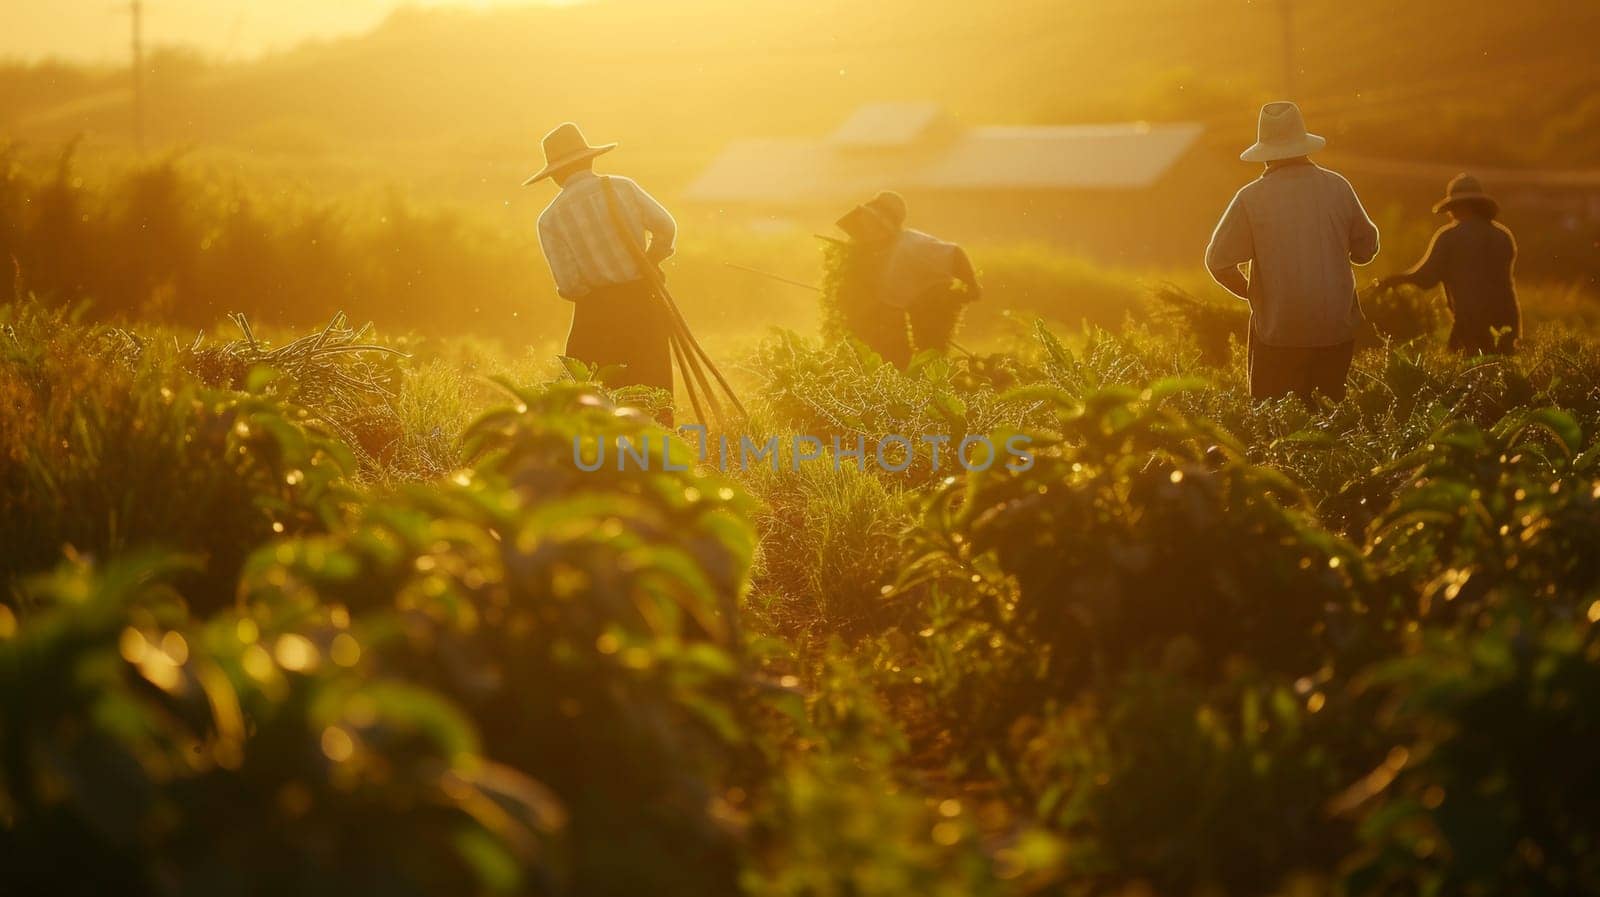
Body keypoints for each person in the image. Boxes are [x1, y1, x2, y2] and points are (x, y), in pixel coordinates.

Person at [1205, 101, 1380, 402]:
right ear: (1304, 145)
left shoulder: (1251, 198)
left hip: (1278, 333)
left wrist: (1255, 294)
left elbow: (1217, 262)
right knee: (1329, 420)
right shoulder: (1338, 187)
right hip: (1335, 330)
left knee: (1273, 423)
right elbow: (1367, 248)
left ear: (1265, 154)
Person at [526, 121, 677, 395]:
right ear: (588, 160)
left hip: (597, 315)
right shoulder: (623, 188)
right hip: (644, 299)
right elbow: (666, 227)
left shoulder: (550, 219)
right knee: (654, 389)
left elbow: (570, 286)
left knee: (600, 397)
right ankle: (658, 436)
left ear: (555, 175)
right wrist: (651, 260)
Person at [828, 191, 980, 368]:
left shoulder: (912, 245)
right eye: (865, 220)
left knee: (923, 359)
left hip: (926, 310)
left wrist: (972, 285)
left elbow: (954, 253)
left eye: (871, 222)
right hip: (893, 318)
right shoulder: (871, 252)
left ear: (882, 225)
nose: (865, 226)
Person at [1377, 173, 1520, 354]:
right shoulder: (1502, 235)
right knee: (1505, 374)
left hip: (1470, 323)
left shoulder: (1450, 237)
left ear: (1457, 206)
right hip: (1507, 321)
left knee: (1465, 374)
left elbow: (1425, 278)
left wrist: (1392, 281)